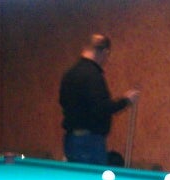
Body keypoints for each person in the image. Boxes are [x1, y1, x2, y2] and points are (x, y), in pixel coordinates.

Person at [59, 34, 139, 165]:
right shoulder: (93, 75)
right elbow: (102, 107)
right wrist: (126, 101)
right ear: (105, 52)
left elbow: (63, 102)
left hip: (71, 139)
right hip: (89, 142)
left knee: (76, 175)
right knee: (93, 177)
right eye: (107, 55)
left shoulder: (69, 73)